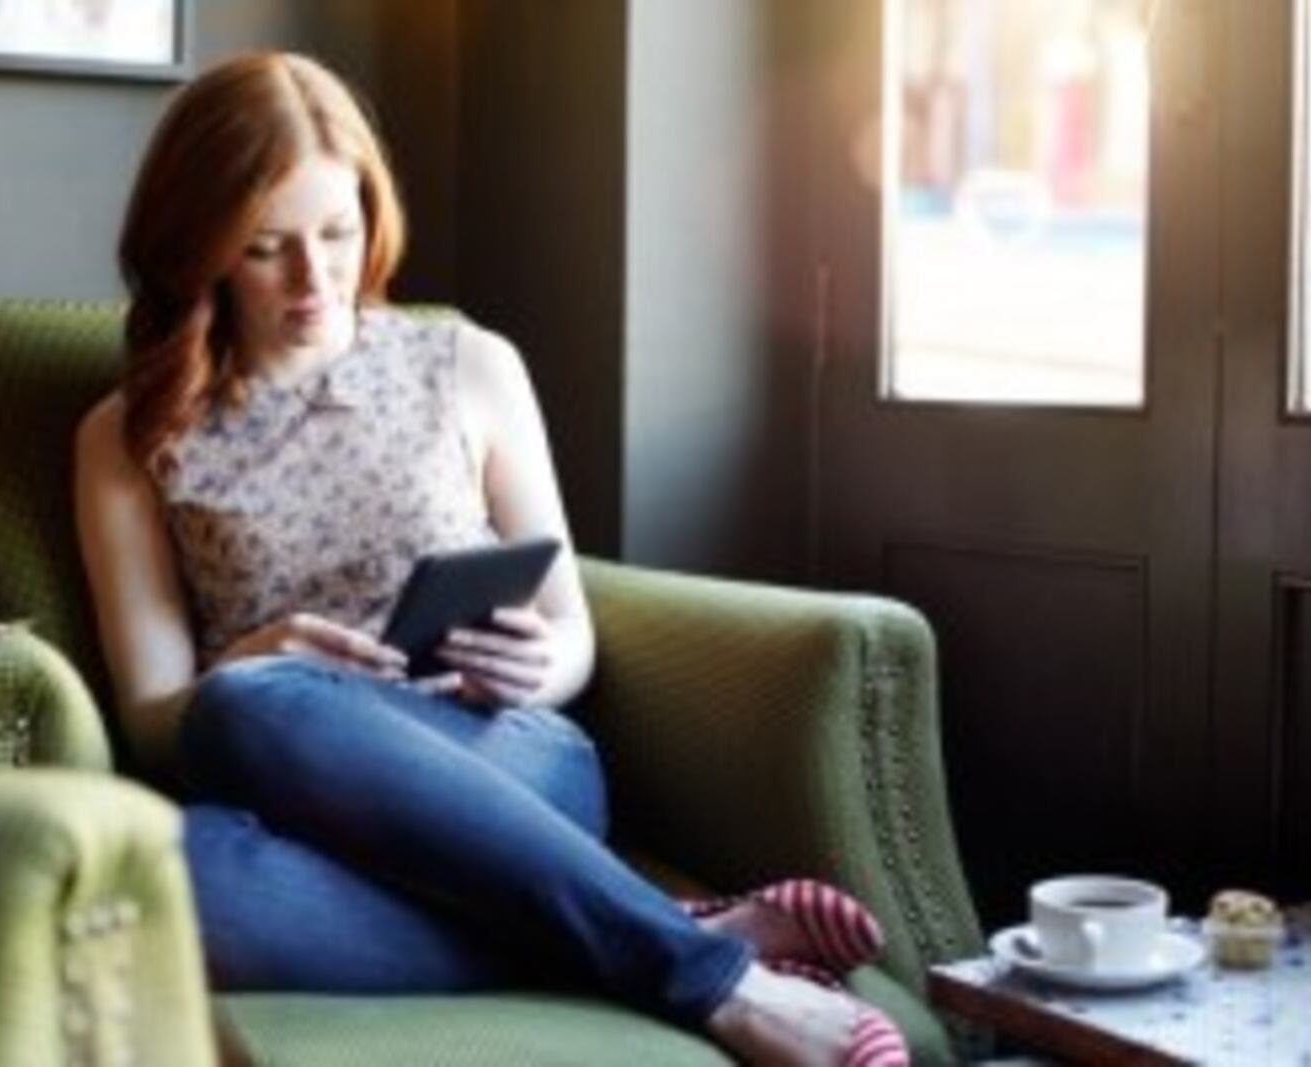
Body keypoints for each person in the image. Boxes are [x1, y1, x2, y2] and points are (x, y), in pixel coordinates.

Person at [75, 50, 909, 1067]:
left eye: (338, 233)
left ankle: (713, 982)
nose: (315, 278)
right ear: (197, 248)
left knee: (248, 723)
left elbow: (571, 633)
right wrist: (255, 653)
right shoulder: (129, 433)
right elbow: (157, 713)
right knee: (178, 836)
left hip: (507, 761)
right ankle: (668, 927)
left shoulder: (467, 362)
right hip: (284, 787)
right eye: (265, 248)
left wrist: (536, 660)